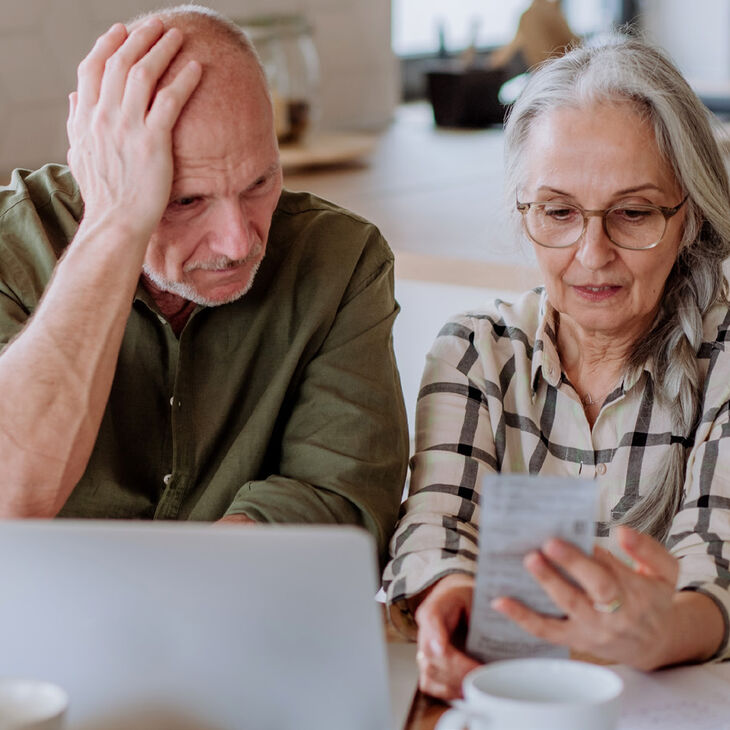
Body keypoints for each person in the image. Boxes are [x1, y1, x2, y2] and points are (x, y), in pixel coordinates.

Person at [383, 35, 730, 698]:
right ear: (524, 214)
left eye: (632, 213)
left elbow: (718, 563)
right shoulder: (475, 350)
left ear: (688, 218)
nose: (592, 253)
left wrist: (664, 627)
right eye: (559, 212)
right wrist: (446, 598)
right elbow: (436, 526)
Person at [0, 5, 408, 563]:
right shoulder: (10, 251)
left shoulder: (342, 262)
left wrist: (163, 589)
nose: (238, 243)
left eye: (259, 181)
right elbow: (11, 496)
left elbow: (344, 506)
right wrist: (114, 226)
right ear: (101, 169)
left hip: (244, 627)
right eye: (185, 201)